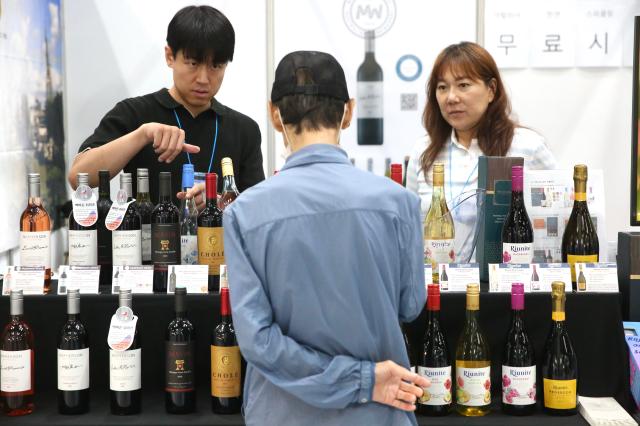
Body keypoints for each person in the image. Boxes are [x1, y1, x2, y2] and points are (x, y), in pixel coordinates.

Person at [223, 51, 429, 426]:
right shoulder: (399, 202)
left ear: (274, 115)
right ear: (349, 112)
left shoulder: (244, 213)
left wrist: (359, 381)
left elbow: (258, 342)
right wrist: (364, 378)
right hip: (379, 412)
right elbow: (410, 305)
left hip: (283, 413)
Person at [68, 5, 264, 206]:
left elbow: (258, 209)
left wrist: (220, 203)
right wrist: (142, 135)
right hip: (146, 237)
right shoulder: (134, 113)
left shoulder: (244, 130)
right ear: (170, 56)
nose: (204, 79)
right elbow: (78, 176)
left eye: (216, 66)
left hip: (218, 237)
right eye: (193, 63)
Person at [406, 42, 556, 220]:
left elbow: (558, 212)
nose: (451, 98)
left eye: (463, 85)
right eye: (442, 87)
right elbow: (410, 223)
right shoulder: (424, 150)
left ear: (491, 90)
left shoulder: (528, 146)